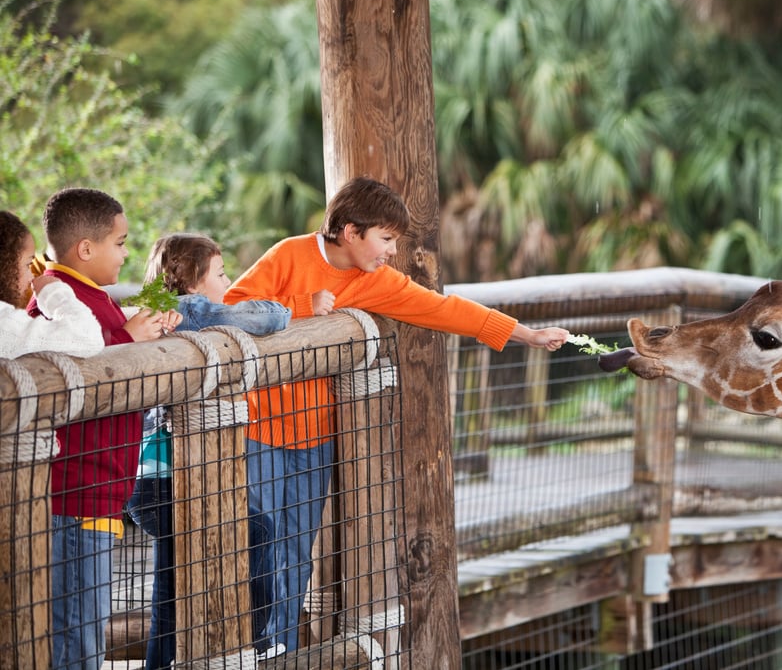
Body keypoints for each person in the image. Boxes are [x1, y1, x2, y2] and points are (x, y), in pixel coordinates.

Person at [225, 177, 569, 654]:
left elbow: (443, 309)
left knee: (295, 554)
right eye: (385, 239)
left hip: (316, 437)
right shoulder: (288, 255)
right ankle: (241, 648)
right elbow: (230, 309)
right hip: (259, 430)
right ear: (350, 232)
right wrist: (301, 308)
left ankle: (277, 651)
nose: (391, 251)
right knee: (255, 544)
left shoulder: (376, 281)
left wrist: (526, 335)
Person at [27, 188, 180, 670]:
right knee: (78, 640)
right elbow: (55, 366)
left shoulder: (89, 296)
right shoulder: (54, 300)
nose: (127, 252)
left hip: (100, 490)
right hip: (77, 495)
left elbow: (104, 350)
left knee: (86, 630)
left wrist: (136, 336)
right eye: (120, 242)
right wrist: (128, 338)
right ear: (86, 249)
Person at [125, 233, 292, 668]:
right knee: (256, 530)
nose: (229, 280)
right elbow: (263, 320)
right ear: (194, 283)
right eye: (220, 273)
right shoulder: (187, 311)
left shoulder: (161, 309)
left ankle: (160, 662)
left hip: (153, 484)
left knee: (172, 580)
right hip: (170, 485)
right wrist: (284, 309)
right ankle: (256, 638)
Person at [0, 210, 103, 358]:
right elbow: (88, 338)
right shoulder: (5, 327)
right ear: (5, 266)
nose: (31, 276)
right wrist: (53, 292)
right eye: (28, 264)